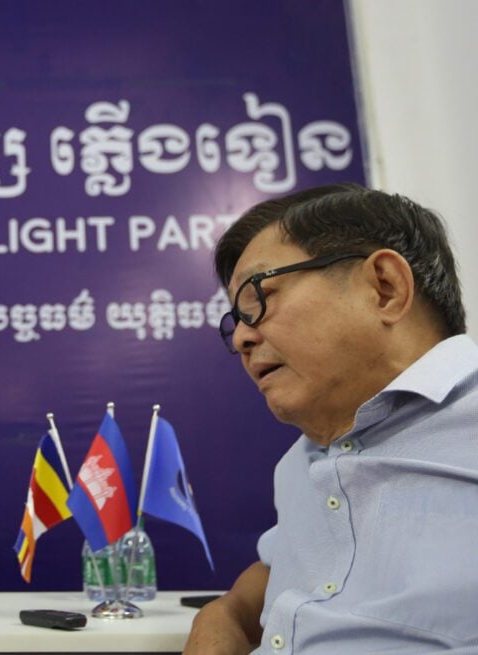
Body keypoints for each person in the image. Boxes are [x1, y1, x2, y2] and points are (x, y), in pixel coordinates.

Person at [183, 183, 478, 654]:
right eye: (235, 320)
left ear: (385, 288)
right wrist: (224, 615)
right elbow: (281, 568)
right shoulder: (302, 461)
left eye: (260, 297)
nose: (241, 338)